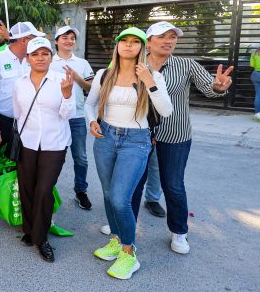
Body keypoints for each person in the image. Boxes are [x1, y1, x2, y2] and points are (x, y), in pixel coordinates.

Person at [86, 27, 173, 280]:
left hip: (136, 141)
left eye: (135, 42)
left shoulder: (152, 75)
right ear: (117, 45)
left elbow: (166, 111)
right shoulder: (105, 74)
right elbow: (90, 104)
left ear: (142, 48)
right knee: (106, 193)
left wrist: (150, 82)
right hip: (105, 137)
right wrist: (92, 121)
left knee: (120, 198)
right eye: (124, 40)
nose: (128, 45)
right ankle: (116, 238)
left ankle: (128, 252)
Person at [143, 21, 233, 255]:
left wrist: (219, 86)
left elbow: (209, 88)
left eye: (173, 37)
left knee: (172, 185)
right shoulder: (136, 63)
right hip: (139, 132)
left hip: (175, 134)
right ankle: (120, 228)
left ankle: (179, 231)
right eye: (162, 36)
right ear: (149, 41)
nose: (169, 41)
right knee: (131, 182)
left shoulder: (186, 64)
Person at [12, 37, 75, 262]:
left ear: (51, 56)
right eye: (35, 54)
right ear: (27, 58)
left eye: (45, 54)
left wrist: (67, 95)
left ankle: (41, 238)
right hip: (28, 142)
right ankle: (30, 230)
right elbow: (17, 113)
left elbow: (69, 114)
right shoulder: (20, 82)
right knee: (27, 188)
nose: (40, 58)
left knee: (44, 190)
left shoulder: (62, 80)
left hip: (54, 143)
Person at [0, 21, 43, 218]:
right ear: (25, 40)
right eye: (34, 39)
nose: (37, 45)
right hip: (2, 120)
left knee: (24, 161)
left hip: (28, 120)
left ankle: (19, 201)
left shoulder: (32, 60)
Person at [49, 26, 95, 210]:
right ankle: (47, 190)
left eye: (72, 38)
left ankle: (80, 191)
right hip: (55, 116)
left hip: (76, 117)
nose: (69, 41)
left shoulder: (82, 63)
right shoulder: (48, 61)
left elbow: (91, 87)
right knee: (52, 157)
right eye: (64, 37)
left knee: (81, 158)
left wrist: (77, 78)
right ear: (56, 41)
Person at [252, 46, 260, 121]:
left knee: (258, 95)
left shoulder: (254, 53)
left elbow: (251, 65)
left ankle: (257, 114)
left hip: (255, 74)